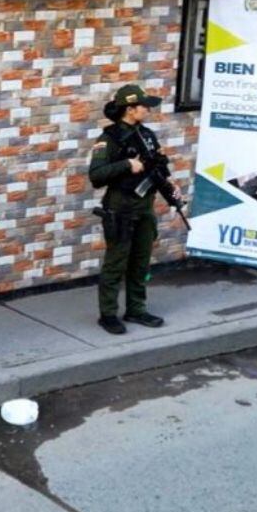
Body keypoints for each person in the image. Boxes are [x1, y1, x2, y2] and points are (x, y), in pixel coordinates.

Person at [88, 84, 178, 336]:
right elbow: (96, 175)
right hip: (120, 209)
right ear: (130, 109)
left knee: (140, 262)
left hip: (144, 208)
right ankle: (108, 314)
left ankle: (136, 309)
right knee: (116, 263)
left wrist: (171, 189)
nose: (147, 110)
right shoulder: (109, 139)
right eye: (143, 106)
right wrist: (126, 164)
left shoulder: (147, 136)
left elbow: (157, 170)